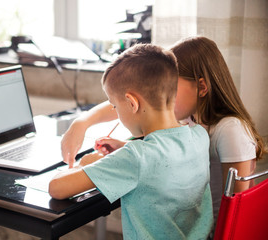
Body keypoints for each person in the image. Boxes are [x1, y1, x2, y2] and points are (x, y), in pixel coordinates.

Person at [61, 36, 267, 223]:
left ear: (202, 87)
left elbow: (237, 215)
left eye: (172, 88)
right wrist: (82, 123)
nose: (163, 94)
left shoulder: (230, 130)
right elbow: (126, 101)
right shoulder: (193, 119)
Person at [49, 43, 213, 239]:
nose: (117, 113)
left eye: (115, 106)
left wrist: (88, 165)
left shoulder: (135, 157)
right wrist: (124, 147)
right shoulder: (200, 136)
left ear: (132, 103)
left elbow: (56, 188)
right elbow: (165, 158)